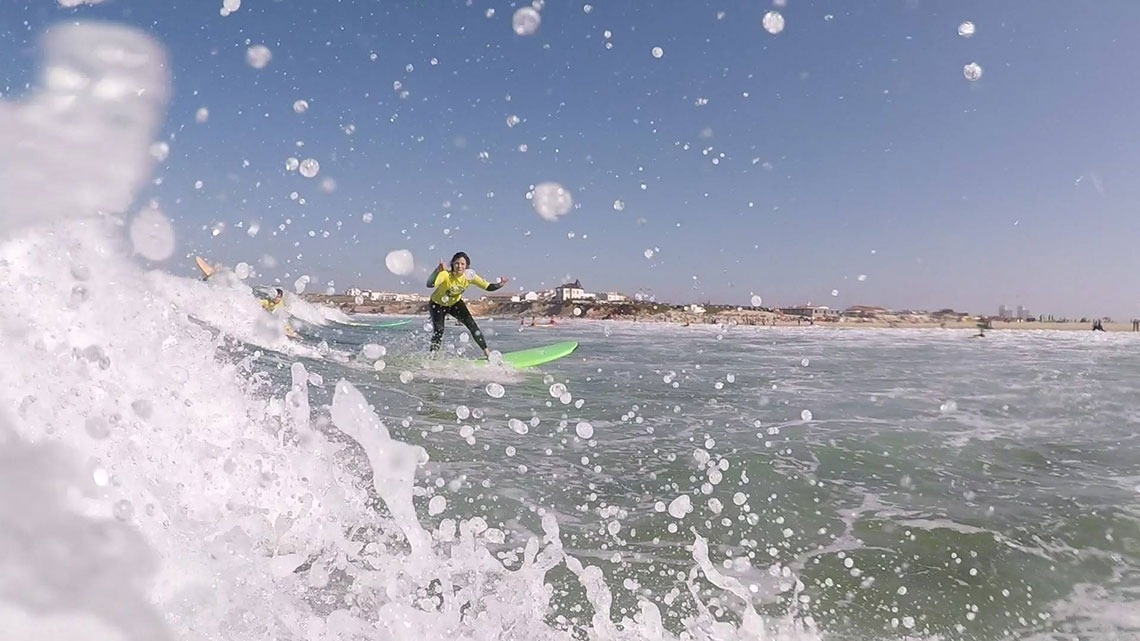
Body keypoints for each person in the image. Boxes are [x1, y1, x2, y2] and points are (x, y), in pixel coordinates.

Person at [426, 252, 508, 357]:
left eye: (462, 264)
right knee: (439, 330)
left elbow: (488, 287)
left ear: (466, 266)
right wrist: (437, 271)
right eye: (457, 263)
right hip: (437, 304)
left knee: (472, 326)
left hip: (455, 304)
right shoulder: (446, 275)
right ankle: (433, 357)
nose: (459, 266)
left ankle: (487, 352)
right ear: (453, 264)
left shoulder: (470, 276)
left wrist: (501, 284)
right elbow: (429, 284)